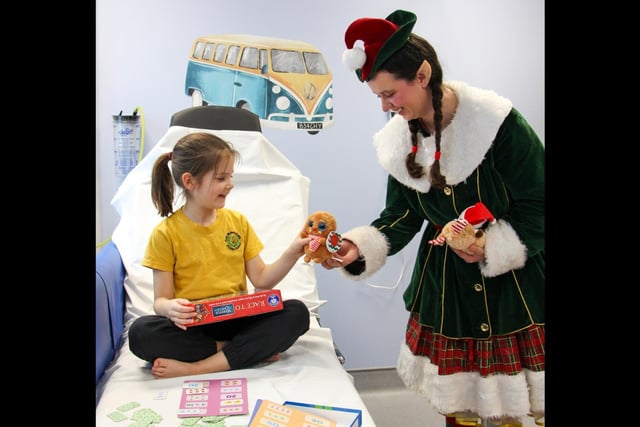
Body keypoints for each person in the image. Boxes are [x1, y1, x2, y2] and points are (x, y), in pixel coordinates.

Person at [324, 10, 544, 427]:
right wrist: (357, 248)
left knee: (522, 408)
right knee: (459, 410)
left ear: (422, 75)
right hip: (449, 298)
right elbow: (400, 215)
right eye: (379, 98)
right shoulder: (397, 143)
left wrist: (490, 247)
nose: (387, 106)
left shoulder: (498, 124)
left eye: (391, 94)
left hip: (516, 290)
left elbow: (538, 205)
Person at [128, 132, 311, 379]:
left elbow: (262, 280)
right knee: (140, 333)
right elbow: (160, 300)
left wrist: (293, 252)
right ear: (189, 182)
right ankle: (244, 349)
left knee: (297, 313)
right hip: (195, 325)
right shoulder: (165, 234)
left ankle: (198, 367)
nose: (230, 184)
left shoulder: (238, 222)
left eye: (230, 177)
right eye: (221, 178)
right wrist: (170, 308)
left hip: (238, 319)